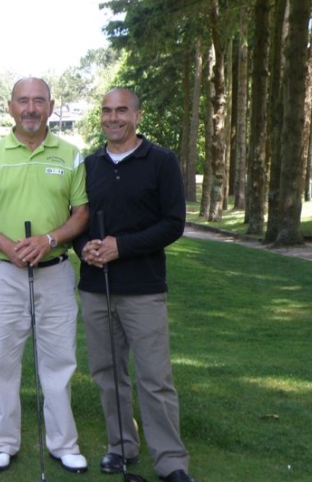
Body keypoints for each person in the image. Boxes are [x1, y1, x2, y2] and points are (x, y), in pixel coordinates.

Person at [0, 77, 89, 474]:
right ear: (10, 107)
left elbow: (81, 212)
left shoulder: (70, 154)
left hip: (54, 272)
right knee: (3, 361)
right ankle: (3, 442)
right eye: (23, 101)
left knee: (59, 361)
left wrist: (48, 239)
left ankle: (63, 443)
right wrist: (8, 246)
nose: (31, 108)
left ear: (52, 107)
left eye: (39, 101)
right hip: (3, 273)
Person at [75, 87, 194, 482]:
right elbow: (76, 219)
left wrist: (119, 247)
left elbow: (173, 223)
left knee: (155, 378)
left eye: (121, 110)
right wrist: (84, 248)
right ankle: (121, 447)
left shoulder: (159, 161)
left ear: (137, 115)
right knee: (108, 374)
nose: (113, 118)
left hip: (143, 288)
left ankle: (171, 461)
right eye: (107, 111)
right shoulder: (89, 165)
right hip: (96, 287)